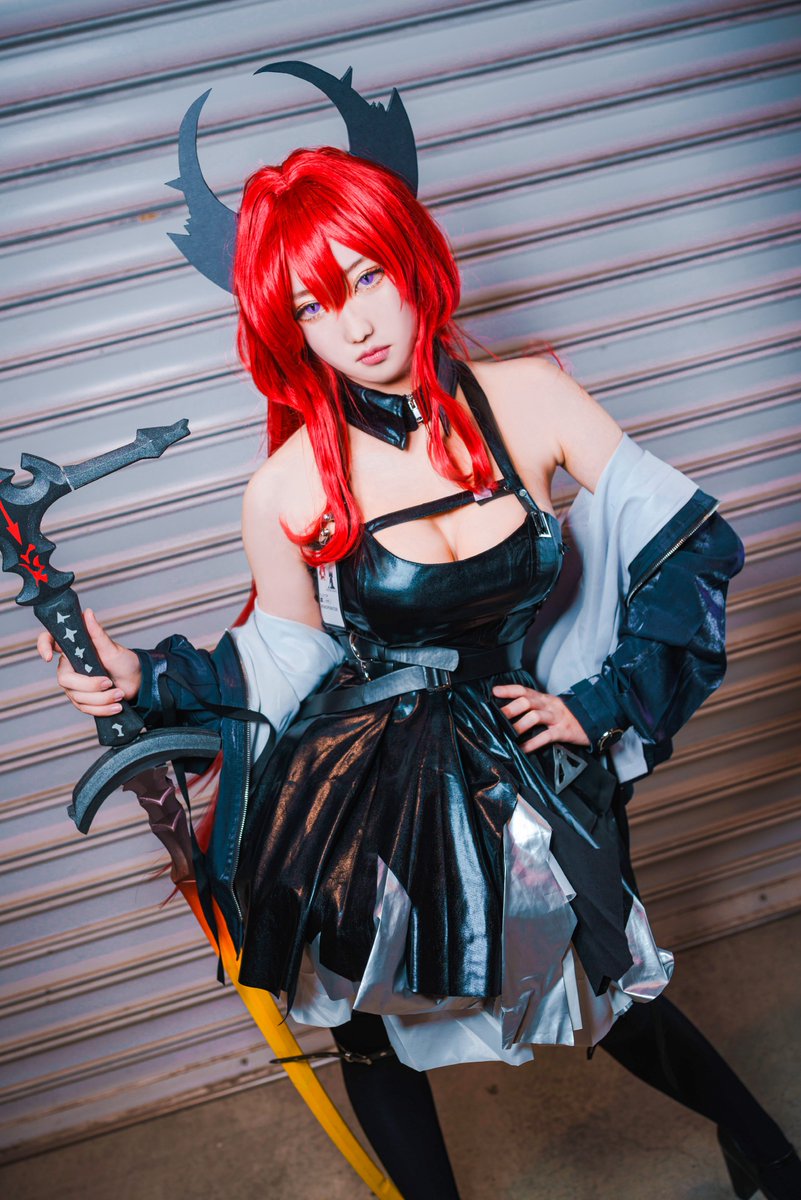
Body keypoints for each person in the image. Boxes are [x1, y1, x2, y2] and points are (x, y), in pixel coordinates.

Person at [38, 142, 799, 1200]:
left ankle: (766, 1156)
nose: (354, 326)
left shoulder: (531, 399)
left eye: (365, 279)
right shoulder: (288, 484)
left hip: (525, 752)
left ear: (412, 263)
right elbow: (282, 658)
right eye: (312, 307)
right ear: (287, 332)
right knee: (367, 1020)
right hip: (362, 778)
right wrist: (144, 678)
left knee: (609, 971)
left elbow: (688, 547)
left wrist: (597, 704)